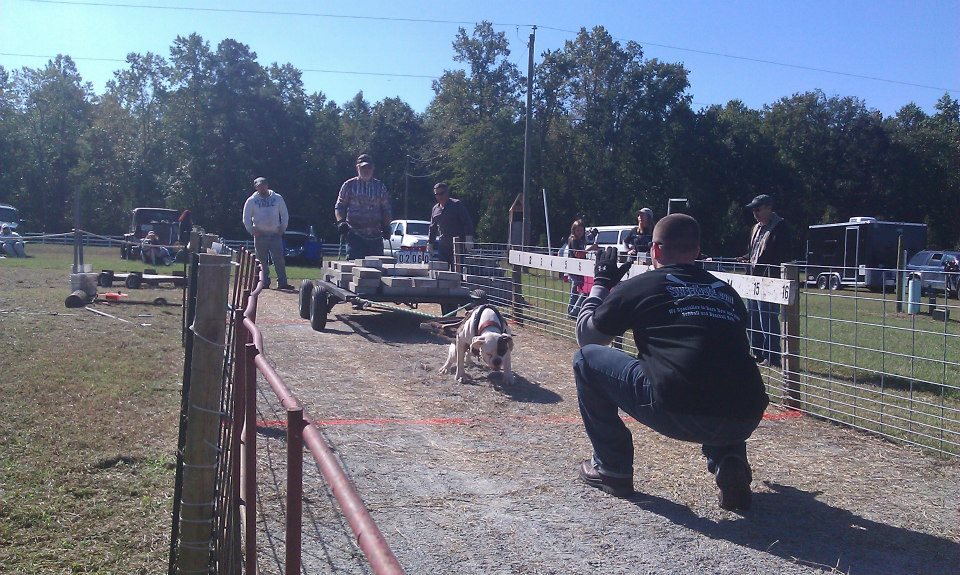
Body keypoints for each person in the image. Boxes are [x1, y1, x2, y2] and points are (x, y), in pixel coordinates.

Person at [572, 214, 769, 510]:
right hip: (745, 415)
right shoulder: (726, 293)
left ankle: (612, 468)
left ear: (655, 250)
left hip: (676, 407)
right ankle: (730, 459)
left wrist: (600, 285)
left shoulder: (643, 284)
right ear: (697, 250)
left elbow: (588, 337)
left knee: (586, 360)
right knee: (719, 364)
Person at [737, 194, 792, 367]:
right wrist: (746, 258)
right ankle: (758, 353)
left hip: (770, 280)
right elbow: (754, 251)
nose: (755, 213)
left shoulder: (780, 227)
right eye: (753, 210)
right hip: (752, 280)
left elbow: (781, 253)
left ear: (769, 208)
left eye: (758, 209)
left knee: (766, 317)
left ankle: (772, 356)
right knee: (752, 317)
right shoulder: (755, 228)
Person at [335, 154, 393, 261]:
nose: (366, 170)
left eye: (369, 167)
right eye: (363, 167)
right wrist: (341, 222)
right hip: (354, 234)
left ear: (373, 168)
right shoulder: (349, 185)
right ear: (357, 168)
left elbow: (386, 209)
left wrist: (386, 226)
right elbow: (340, 206)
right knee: (355, 267)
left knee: (376, 269)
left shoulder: (380, 187)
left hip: (375, 236)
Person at [242, 177, 293, 290]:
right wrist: (252, 230)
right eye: (259, 186)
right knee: (261, 260)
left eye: (263, 185)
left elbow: (284, 214)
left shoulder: (277, 198)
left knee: (279, 258)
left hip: (275, 233)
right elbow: (246, 217)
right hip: (260, 234)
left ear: (267, 185)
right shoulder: (251, 200)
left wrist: (282, 228)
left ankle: (282, 282)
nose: (262, 188)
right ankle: (264, 282)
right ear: (256, 187)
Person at [428, 182, 474, 267]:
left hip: (457, 246)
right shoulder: (435, 209)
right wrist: (430, 243)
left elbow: (467, 222)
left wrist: (469, 238)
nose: (439, 196)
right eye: (436, 194)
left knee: (457, 271)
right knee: (442, 273)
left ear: (447, 193)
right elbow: (432, 228)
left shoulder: (456, 204)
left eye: (441, 193)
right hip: (443, 246)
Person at [564, 219, 598, 318]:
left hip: (578, 267)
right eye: (577, 230)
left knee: (575, 290)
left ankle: (571, 311)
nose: (580, 232)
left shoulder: (579, 240)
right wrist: (591, 248)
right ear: (573, 230)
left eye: (581, 230)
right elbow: (578, 254)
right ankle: (574, 311)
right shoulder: (574, 240)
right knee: (582, 290)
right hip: (575, 267)